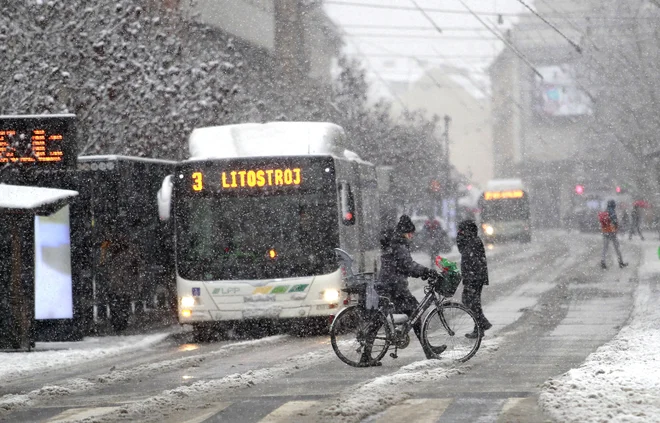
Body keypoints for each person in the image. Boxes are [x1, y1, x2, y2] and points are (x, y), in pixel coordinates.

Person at [378, 215, 446, 360]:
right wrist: (426, 272)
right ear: (405, 232)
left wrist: (422, 272)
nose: (411, 236)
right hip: (394, 287)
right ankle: (428, 350)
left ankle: (428, 349)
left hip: (390, 285)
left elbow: (405, 266)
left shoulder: (395, 242)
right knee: (414, 312)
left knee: (384, 317)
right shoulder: (399, 245)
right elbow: (408, 265)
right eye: (410, 234)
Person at [456, 220, 492, 339]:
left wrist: (470, 277)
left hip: (474, 277)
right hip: (475, 276)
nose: (459, 233)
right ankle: (479, 328)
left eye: (461, 231)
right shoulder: (472, 240)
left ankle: (482, 323)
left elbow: (471, 260)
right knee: (474, 302)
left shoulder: (472, 241)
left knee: (468, 300)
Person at [600, 200, 628, 269]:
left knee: (605, 248)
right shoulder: (612, 211)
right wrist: (617, 227)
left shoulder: (605, 211)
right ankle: (621, 262)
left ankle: (603, 262)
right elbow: (615, 221)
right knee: (617, 248)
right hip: (612, 232)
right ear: (613, 205)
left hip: (605, 231)